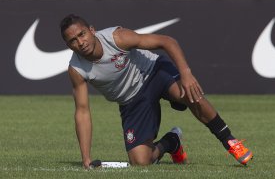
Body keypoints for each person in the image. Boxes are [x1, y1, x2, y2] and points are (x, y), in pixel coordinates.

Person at [59, 14, 253, 169]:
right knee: (140, 162)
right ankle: (171, 142)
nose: (80, 42)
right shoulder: (76, 70)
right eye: (73, 41)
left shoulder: (117, 37)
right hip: (131, 101)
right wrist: (86, 158)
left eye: (82, 34)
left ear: (92, 30)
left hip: (154, 74)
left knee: (190, 94)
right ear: (68, 46)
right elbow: (82, 112)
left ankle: (230, 141)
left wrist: (185, 74)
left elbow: (167, 41)